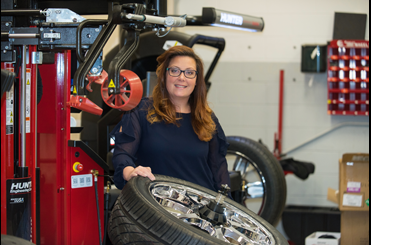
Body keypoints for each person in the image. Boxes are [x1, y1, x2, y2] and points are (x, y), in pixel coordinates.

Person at [111, 45, 231, 194]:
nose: (181, 77)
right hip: (154, 205)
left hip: (197, 209)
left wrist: (225, 206)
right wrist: (130, 172)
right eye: (174, 71)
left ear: (196, 80)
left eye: (189, 72)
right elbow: (123, 154)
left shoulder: (207, 118)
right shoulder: (141, 111)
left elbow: (219, 168)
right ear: (164, 75)